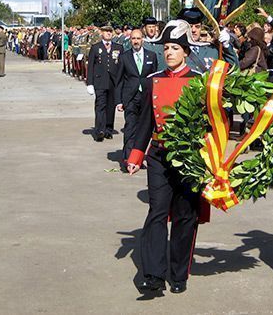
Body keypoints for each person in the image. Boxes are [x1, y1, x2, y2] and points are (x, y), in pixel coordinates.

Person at [126, 20, 208, 295]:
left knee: (185, 216)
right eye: (166, 48)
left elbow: (211, 122)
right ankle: (153, 274)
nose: (169, 52)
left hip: (189, 157)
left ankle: (178, 273)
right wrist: (136, 155)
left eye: (174, 48)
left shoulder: (199, 83)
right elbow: (145, 123)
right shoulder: (153, 82)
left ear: (186, 51)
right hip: (159, 156)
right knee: (157, 212)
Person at [114, 28, 158, 170]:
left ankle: (139, 158)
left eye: (138, 38)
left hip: (145, 97)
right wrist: (119, 101)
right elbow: (119, 80)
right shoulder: (124, 57)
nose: (136, 41)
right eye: (133, 39)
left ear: (142, 40)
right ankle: (128, 158)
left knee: (144, 129)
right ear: (130, 40)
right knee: (130, 127)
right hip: (130, 97)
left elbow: (155, 79)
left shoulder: (151, 56)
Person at [86, 25, 124, 142]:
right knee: (100, 106)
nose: (108, 33)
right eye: (106, 31)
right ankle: (99, 130)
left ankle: (108, 129)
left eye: (110, 31)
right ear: (101, 33)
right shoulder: (96, 47)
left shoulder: (119, 47)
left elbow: (122, 65)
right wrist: (90, 83)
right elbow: (91, 66)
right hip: (100, 81)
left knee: (110, 106)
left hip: (113, 81)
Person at [176, 7, 238, 72]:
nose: (193, 30)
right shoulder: (174, 50)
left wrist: (226, 46)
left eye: (197, 27)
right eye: (190, 26)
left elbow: (234, 70)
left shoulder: (212, 50)